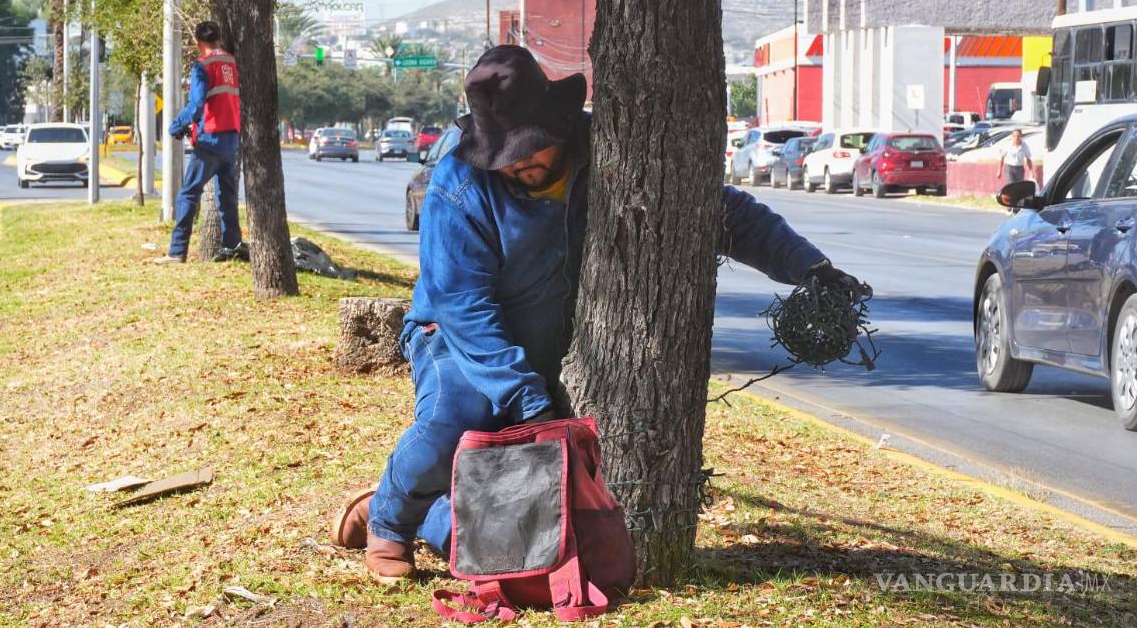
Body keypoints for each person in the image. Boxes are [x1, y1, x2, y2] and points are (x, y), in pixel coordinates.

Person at [330, 45, 865, 583]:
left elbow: (724, 212)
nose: (517, 163)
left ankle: (427, 516)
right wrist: (526, 397)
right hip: (454, 337)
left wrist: (810, 268)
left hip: (558, 339)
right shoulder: (458, 183)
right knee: (459, 415)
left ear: (557, 123)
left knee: (524, 519)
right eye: (504, 154)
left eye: (528, 147)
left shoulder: (614, 152)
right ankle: (390, 522)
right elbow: (463, 303)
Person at [153, 20, 246, 265]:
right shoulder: (231, 62)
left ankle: (176, 251)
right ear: (219, 38)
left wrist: (175, 125)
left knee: (187, 194)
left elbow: (196, 106)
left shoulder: (203, 65)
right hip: (232, 138)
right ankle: (232, 246)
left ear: (198, 42)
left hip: (210, 141)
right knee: (227, 198)